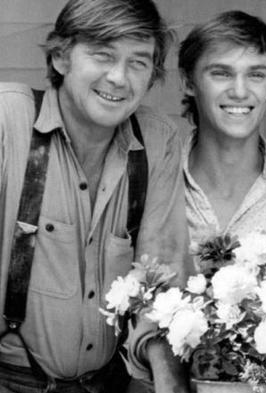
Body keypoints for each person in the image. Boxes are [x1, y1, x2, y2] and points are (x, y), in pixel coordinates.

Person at [0, 0, 191, 392]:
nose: (119, 77)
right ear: (60, 58)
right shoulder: (8, 121)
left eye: (138, 62)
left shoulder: (157, 141)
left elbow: (162, 276)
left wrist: (169, 382)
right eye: (102, 55)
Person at [177, 10, 266, 270]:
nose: (240, 91)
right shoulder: (155, 182)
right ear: (188, 81)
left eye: (256, 75)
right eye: (221, 73)